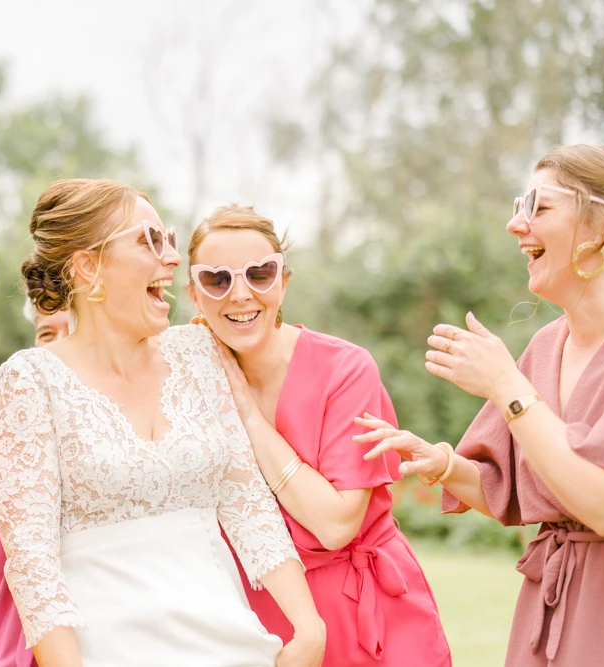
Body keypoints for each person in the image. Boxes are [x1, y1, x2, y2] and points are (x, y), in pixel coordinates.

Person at [0, 178, 325, 667]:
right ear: (88, 266)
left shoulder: (197, 351)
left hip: (230, 643)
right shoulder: (31, 379)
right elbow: (31, 562)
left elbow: (245, 499)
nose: (171, 257)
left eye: (167, 239)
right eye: (148, 241)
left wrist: (309, 629)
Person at [355, 144, 604, 666]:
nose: (514, 224)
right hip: (548, 611)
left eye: (539, 206)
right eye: (519, 205)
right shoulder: (545, 346)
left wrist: (505, 386)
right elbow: (524, 491)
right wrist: (443, 464)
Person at [186, 205, 452, 666]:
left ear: (283, 282)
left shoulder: (345, 369)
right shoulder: (185, 380)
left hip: (366, 611)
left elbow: (335, 525)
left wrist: (248, 416)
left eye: (259, 274)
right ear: (194, 294)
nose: (240, 294)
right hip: (255, 617)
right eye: (217, 279)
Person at [0, 300, 72, 667]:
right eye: (47, 333)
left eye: (73, 329)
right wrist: (32, 442)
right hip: (18, 640)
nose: (58, 345)